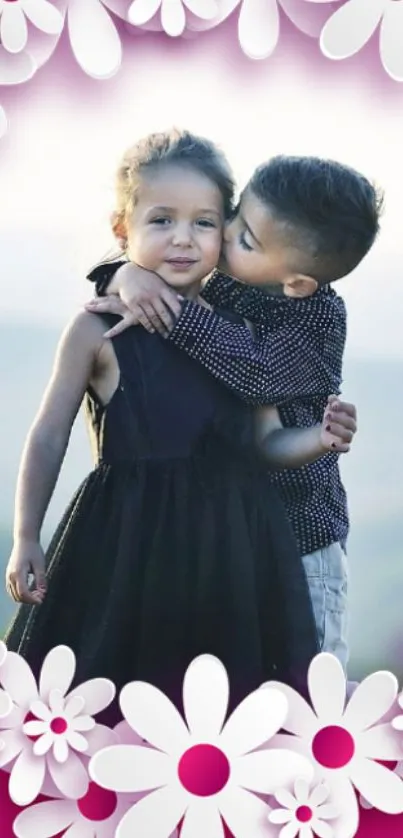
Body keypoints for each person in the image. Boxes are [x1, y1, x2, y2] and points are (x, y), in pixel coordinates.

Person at [4, 130, 357, 714]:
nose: (183, 240)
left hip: (235, 559)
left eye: (204, 222)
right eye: (161, 220)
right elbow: (49, 432)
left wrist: (318, 440)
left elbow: (265, 443)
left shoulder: (240, 327)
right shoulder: (97, 328)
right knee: (105, 709)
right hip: (126, 550)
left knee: (232, 717)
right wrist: (25, 535)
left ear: (226, 230)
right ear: (123, 229)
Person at [86, 153, 382, 674]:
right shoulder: (235, 279)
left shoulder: (316, 320)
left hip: (303, 539)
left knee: (307, 681)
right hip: (235, 536)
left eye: (244, 238)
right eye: (234, 216)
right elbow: (168, 267)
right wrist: (125, 274)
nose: (222, 236)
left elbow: (255, 375)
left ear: (297, 282)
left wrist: (169, 314)